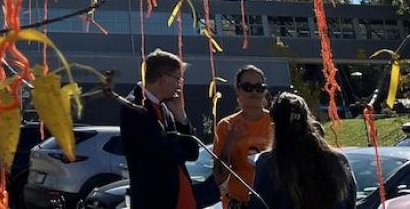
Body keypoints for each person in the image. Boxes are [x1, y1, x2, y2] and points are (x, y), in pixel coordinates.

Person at [120, 49, 199, 209]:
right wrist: (178, 148)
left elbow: (192, 152)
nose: (179, 85)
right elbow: (166, 154)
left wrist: (180, 115)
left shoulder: (165, 107)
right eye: (178, 79)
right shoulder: (135, 107)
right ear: (163, 79)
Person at [249, 92, 356, 209]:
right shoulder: (338, 160)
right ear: (308, 121)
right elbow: (350, 202)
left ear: (275, 126)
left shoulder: (269, 163)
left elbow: (259, 205)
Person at [213, 65, 273, 209]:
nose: (254, 92)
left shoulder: (277, 122)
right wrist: (230, 142)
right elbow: (219, 178)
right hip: (238, 203)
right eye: (248, 87)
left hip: (271, 202)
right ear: (238, 89)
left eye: (259, 87)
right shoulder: (226, 125)